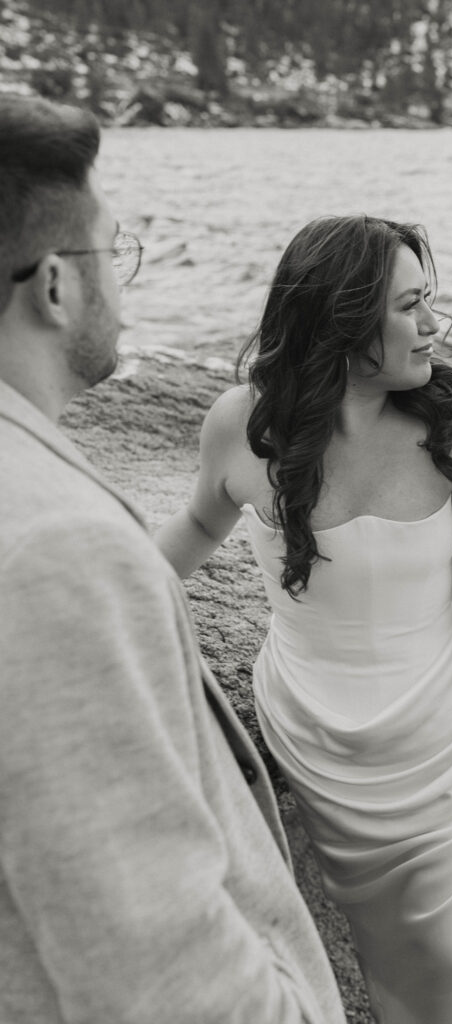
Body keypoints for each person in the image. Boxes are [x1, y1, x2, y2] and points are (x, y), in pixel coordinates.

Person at [156, 214, 452, 1023]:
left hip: (441, 745)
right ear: (342, 317)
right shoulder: (243, 422)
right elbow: (199, 524)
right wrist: (109, 585)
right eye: (408, 306)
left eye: (428, 300)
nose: (431, 326)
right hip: (314, 732)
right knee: (395, 965)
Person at [0, 95, 346, 1024]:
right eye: (117, 253)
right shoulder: (54, 549)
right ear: (57, 286)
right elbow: (150, 969)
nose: (126, 283)